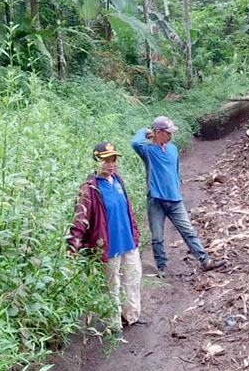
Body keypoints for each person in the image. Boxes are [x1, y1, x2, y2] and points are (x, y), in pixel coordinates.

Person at [131, 116, 225, 275]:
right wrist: (144, 132)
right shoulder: (147, 151)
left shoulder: (172, 149)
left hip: (175, 200)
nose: (171, 136)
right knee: (157, 237)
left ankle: (205, 260)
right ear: (158, 132)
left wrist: (177, 188)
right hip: (156, 200)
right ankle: (162, 267)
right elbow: (135, 143)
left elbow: (175, 171)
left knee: (188, 231)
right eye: (168, 133)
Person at [68, 142, 146, 330]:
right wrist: (73, 246)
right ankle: (114, 325)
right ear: (96, 162)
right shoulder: (90, 188)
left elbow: (127, 209)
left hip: (127, 241)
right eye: (106, 161)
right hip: (107, 246)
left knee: (133, 278)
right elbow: (80, 219)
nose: (111, 165)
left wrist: (135, 233)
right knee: (112, 286)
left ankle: (131, 315)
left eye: (114, 160)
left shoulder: (117, 179)